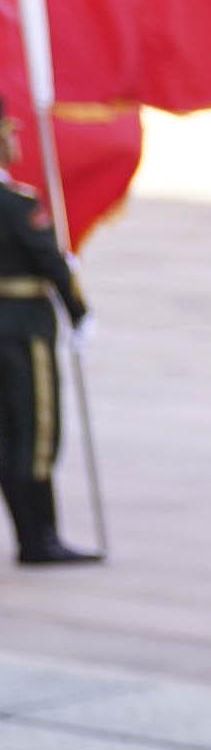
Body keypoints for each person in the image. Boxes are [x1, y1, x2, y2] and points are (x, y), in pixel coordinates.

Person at [0, 148, 87, 567]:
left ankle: (29, 533)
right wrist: (79, 312)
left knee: (5, 435)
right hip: (23, 327)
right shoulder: (17, 202)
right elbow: (49, 261)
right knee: (36, 432)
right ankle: (41, 537)